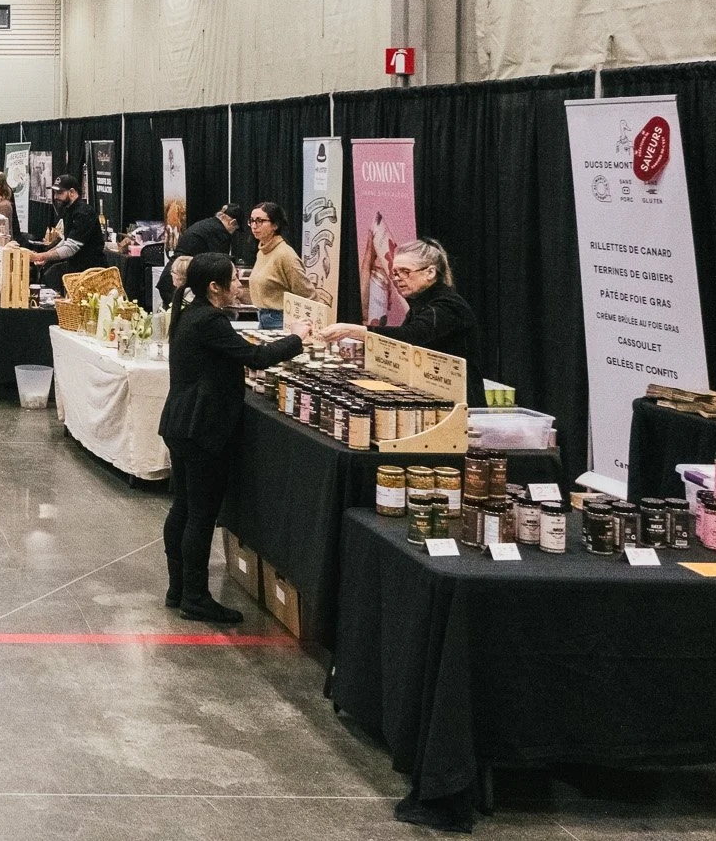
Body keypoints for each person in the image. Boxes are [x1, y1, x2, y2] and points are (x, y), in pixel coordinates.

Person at [159, 253, 304, 623]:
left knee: (184, 508)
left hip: (180, 423)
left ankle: (178, 589)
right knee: (200, 516)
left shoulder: (189, 313)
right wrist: (299, 339)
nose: (240, 286)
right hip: (200, 428)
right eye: (236, 280)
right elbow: (255, 357)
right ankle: (194, 596)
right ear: (215, 287)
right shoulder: (209, 320)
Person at [322, 238, 487, 390]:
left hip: (462, 400)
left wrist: (353, 331)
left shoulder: (448, 305)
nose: (398, 279)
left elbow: (410, 336)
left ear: (430, 272)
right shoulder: (421, 303)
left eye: (405, 272)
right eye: (395, 273)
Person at [245, 201, 317, 326]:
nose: (254, 226)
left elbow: (308, 294)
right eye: (251, 221)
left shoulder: (285, 254)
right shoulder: (262, 251)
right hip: (262, 316)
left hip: (280, 319)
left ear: (275, 225)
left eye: (260, 220)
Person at [30, 176, 106, 277]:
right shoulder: (69, 210)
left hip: (91, 272)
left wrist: (39, 256)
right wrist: (46, 257)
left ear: (72, 192)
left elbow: (71, 247)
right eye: (55, 193)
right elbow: (66, 241)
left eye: (59, 193)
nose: (55, 197)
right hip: (76, 269)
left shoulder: (84, 213)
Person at [176, 203, 243, 260]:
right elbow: (221, 263)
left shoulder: (208, 224)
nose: (233, 233)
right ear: (232, 222)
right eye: (235, 229)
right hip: (185, 269)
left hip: (177, 265)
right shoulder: (221, 233)